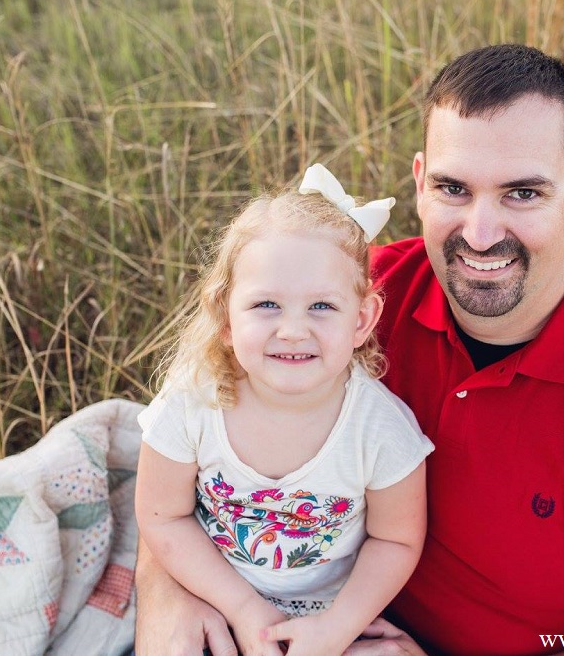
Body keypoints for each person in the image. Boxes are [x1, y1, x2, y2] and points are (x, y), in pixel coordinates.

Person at [133, 44, 564, 656]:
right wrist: (166, 589)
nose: (480, 234)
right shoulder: (347, 302)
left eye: (522, 193)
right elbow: (196, 432)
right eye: (454, 189)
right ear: (421, 184)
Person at [134, 164, 434, 656]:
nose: (293, 330)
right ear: (225, 317)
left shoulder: (381, 429)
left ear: (362, 320)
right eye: (266, 305)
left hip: (333, 617)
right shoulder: (193, 400)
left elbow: (396, 542)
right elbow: (163, 516)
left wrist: (337, 629)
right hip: (217, 600)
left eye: (321, 307)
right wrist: (245, 611)